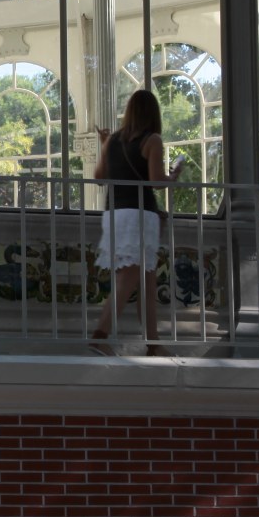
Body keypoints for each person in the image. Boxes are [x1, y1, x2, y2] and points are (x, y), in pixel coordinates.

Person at [89, 90, 182, 356]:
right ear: (153, 113)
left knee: (146, 280)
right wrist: (174, 177)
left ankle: (153, 344)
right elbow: (155, 181)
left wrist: (105, 144)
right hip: (140, 214)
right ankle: (99, 335)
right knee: (130, 276)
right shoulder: (152, 140)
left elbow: (98, 177)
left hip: (114, 213)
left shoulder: (112, 140)